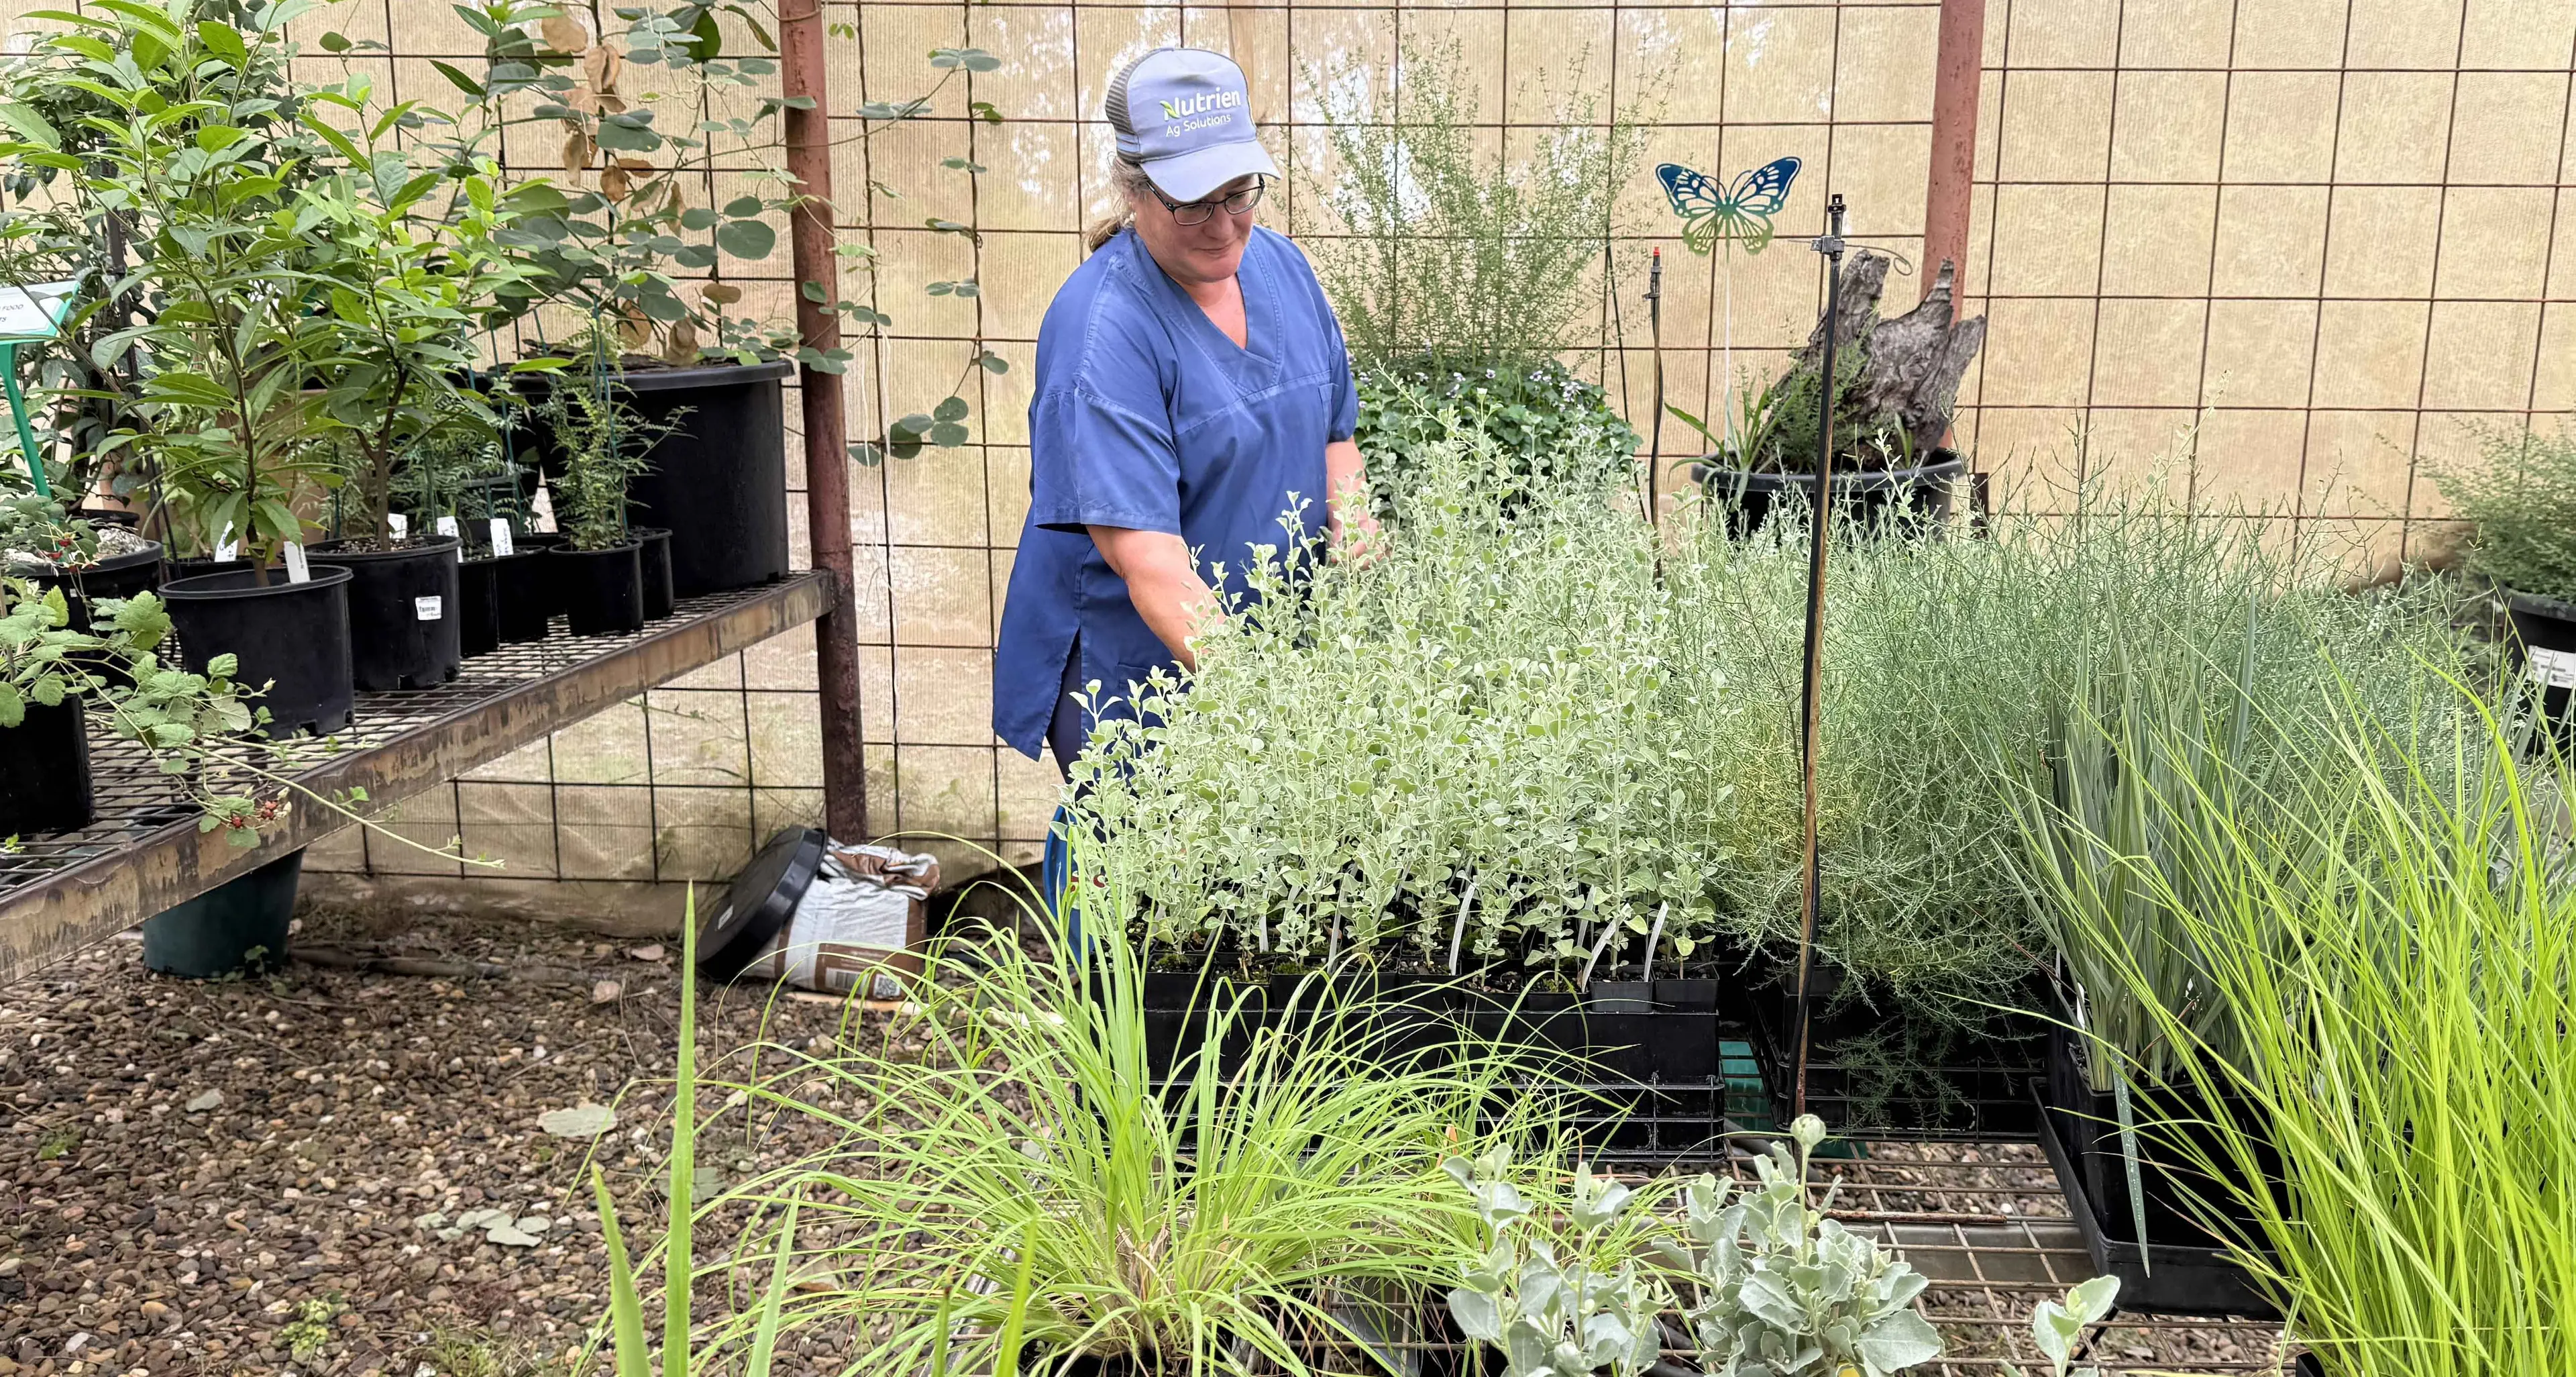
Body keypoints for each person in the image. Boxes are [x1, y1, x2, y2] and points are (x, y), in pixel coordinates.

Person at [993, 46, 1377, 781]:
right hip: (1134, 668)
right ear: (1134, 191)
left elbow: (1335, 433)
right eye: (1193, 202)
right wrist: (1272, 713)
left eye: (1239, 193)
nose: (1224, 225)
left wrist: (1354, 535)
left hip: (1266, 646)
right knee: (1144, 847)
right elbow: (1152, 565)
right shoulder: (1104, 333)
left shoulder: (1284, 268)